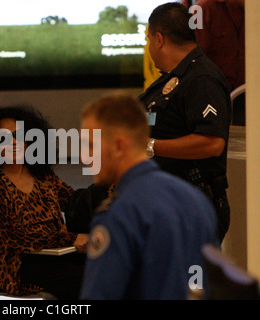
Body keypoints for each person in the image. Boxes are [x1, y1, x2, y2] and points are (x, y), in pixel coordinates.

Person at [79, 92, 219, 300]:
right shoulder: (195, 200)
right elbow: (210, 285)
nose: (84, 156)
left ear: (118, 146)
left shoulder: (120, 214)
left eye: (90, 145)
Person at [0, 105, 88, 300]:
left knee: (109, 267)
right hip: (21, 267)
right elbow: (17, 237)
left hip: (60, 258)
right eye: (4, 138)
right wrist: (71, 239)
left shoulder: (43, 175)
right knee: (84, 279)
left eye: (18, 135)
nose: (14, 142)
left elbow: (77, 204)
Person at [138, 3, 231, 243]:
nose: (149, 48)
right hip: (167, 203)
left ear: (159, 39)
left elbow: (211, 143)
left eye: (149, 40)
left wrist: (149, 145)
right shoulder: (174, 78)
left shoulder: (202, 79)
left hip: (192, 207)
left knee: (191, 280)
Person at [194, 0, 245, 125]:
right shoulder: (198, 10)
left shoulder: (255, 10)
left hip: (250, 95)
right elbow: (192, 58)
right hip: (213, 97)